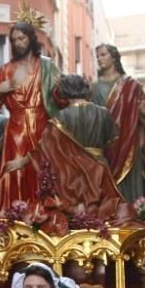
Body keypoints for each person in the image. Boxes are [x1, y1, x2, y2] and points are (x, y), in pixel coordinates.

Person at [0, 21, 61, 210]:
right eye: (14, 40)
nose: (18, 43)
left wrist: (60, 88)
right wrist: (0, 90)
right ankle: (16, 217)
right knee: (16, 173)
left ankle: (45, 216)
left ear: (31, 39)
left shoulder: (47, 66)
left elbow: (59, 100)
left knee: (43, 171)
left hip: (43, 126)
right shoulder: (6, 70)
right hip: (16, 132)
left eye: (22, 38)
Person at [31, 74, 124, 221]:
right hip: (100, 169)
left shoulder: (59, 118)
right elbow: (112, 143)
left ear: (65, 92)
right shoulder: (104, 113)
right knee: (102, 216)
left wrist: (23, 160)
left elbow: (45, 148)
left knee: (76, 218)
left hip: (72, 173)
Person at [91, 44, 145, 200]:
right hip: (105, 146)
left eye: (103, 55)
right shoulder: (94, 88)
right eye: (97, 56)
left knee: (130, 188)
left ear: (114, 57)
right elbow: (93, 118)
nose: (99, 59)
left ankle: (133, 218)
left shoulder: (132, 85)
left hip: (129, 144)